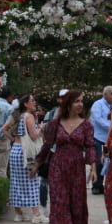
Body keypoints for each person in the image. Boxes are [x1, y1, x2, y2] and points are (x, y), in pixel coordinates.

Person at [30, 90, 97, 224]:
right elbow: (47, 145)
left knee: (75, 205)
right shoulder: (55, 123)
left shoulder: (87, 125)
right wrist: (36, 165)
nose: (80, 104)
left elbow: (90, 147)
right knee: (59, 206)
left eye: (82, 101)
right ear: (68, 104)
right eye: (76, 101)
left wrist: (94, 169)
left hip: (77, 169)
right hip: (57, 167)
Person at [8, 93, 48, 223]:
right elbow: (34, 135)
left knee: (16, 182)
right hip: (26, 153)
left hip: (16, 149)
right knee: (32, 181)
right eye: (32, 100)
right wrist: (41, 127)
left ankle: (18, 213)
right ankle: (36, 214)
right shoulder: (29, 116)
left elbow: (6, 129)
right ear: (25, 103)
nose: (34, 102)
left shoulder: (18, 116)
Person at [39, 88, 69, 216]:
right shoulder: (50, 114)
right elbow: (44, 131)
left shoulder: (77, 116)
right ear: (58, 99)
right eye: (63, 98)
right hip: (52, 151)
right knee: (45, 180)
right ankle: (43, 206)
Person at [90, 85, 112, 195]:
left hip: (110, 138)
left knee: (111, 162)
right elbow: (98, 120)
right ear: (105, 94)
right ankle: (97, 185)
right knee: (98, 162)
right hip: (99, 137)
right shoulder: (98, 104)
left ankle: (109, 185)